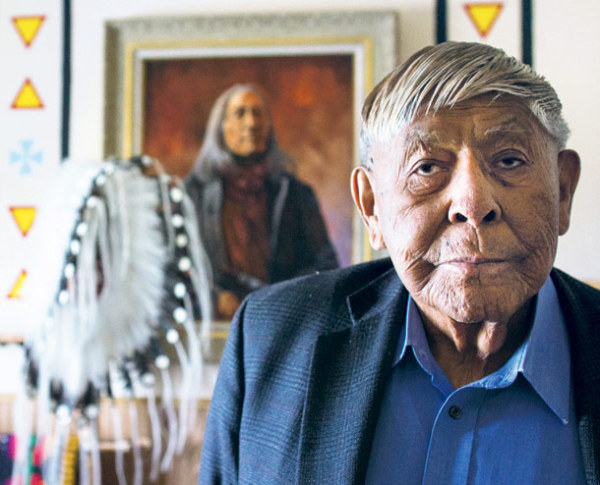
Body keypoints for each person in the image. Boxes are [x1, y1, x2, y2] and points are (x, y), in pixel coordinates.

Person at [199, 42, 600, 484]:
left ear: (563, 191)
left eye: (509, 160)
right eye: (426, 168)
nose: (472, 202)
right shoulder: (270, 339)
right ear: (371, 207)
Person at [184, 84, 339, 319]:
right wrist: (214, 299)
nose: (251, 123)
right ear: (221, 127)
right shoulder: (193, 194)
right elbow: (173, 269)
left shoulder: (295, 194)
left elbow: (326, 265)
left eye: (258, 114)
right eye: (240, 113)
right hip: (215, 329)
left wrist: (280, 297)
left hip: (280, 321)